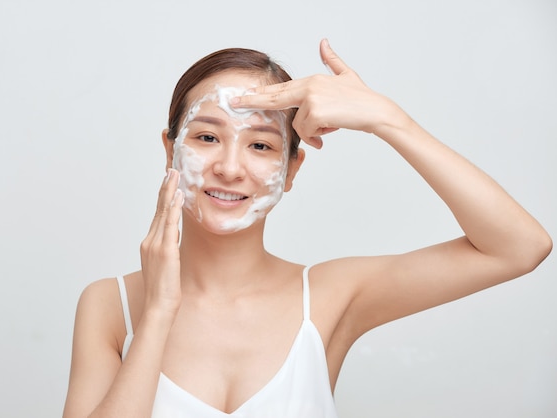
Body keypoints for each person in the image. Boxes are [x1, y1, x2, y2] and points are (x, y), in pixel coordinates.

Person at [62, 39, 552, 418]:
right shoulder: (111, 306)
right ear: (170, 150)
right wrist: (160, 312)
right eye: (207, 136)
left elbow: (520, 247)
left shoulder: (328, 297)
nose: (231, 168)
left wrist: (389, 120)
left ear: (292, 170)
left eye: (261, 145)